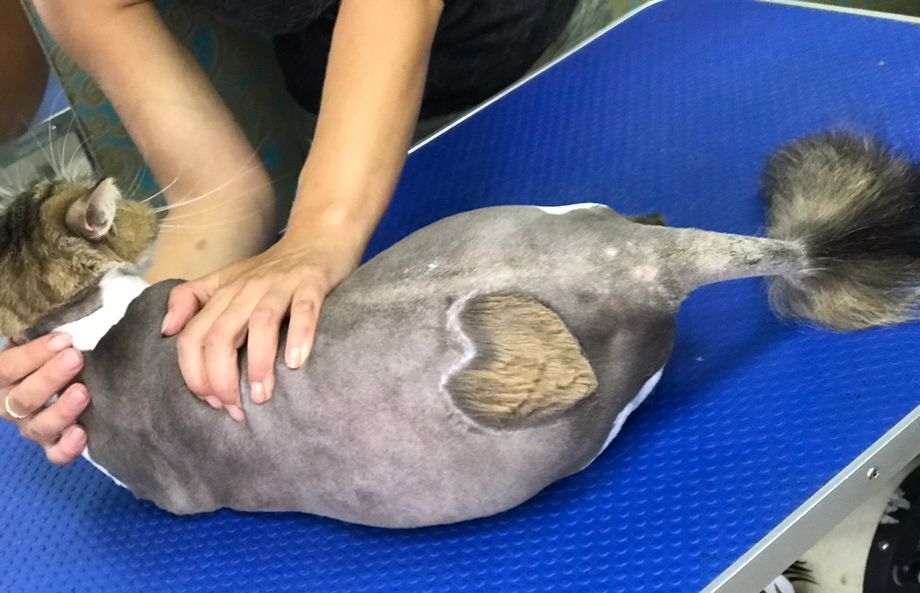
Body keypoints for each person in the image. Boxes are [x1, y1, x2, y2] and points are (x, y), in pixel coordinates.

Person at [3, 0, 612, 461]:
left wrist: (321, 230)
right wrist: (103, 354)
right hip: (378, 129)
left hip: (570, 62)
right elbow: (221, 197)